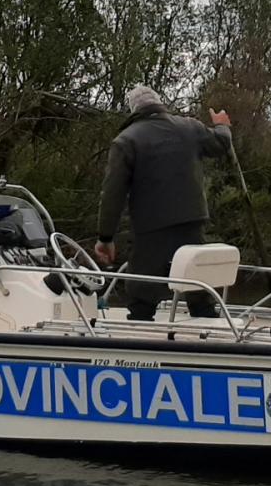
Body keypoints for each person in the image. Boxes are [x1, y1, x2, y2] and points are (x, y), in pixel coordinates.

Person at [93, 85, 233, 320]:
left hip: (151, 226)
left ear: (133, 109)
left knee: (142, 288)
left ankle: (139, 329)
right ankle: (208, 321)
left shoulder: (125, 141)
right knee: (196, 279)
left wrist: (105, 237)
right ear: (159, 103)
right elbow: (220, 144)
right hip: (192, 219)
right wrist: (222, 124)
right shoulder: (191, 128)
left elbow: (112, 195)